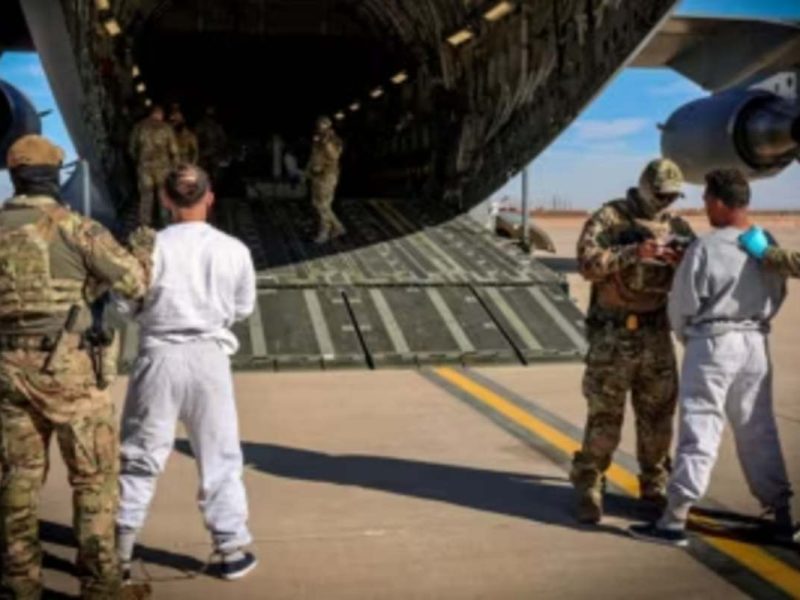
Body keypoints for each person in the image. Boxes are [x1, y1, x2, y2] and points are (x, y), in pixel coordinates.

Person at [0, 135, 151, 598]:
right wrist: (145, 247)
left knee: (19, 477)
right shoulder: (77, 229)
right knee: (93, 478)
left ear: (14, 176)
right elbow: (135, 282)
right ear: (54, 176)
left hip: (7, 368)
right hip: (68, 372)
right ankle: (101, 584)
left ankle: (20, 582)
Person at [629, 169, 796, 546]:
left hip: (713, 342)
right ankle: (782, 513)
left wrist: (692, 337)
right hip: (755, 342)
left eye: (706, 199)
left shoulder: (704, 247)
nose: (704, 207)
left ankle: (674, 518)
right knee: (758, 429)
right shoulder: (764, 244)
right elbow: (779, 292)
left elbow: (683, 304)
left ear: (719, 201)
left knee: (700, 428)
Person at [115, 164, 258, 580]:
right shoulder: (234, 250)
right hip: (209, 358)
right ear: (209, 197)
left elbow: (125, 305)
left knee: (140, 457)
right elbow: (244, 308)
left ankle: (120, 554)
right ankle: (230, 549)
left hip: (158, 356)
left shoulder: (148, 249)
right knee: (220, 457)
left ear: (165, 199)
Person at [570, 158, 694, 524]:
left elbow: (698, 271)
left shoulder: (677, 226)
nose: (665, 202)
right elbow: (588, 264)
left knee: (658, 417)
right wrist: (632, 253)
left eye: (672, 196)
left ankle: (654, 486)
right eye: (660, 194)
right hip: (613, 334)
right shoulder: (609, 218)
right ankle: (590, 483)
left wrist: (678, 260)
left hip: (655, 334)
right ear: (644, 187)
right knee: (605, 414)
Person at [129, 104, 178, 227]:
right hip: (163, 169)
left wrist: (139, 161)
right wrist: (174, 168)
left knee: (146, 197)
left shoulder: (139, 126)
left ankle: (145, 227)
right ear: (160, 115)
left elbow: (131, 149)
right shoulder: (167, 128)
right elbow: (174, 151)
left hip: (144, 168)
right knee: (163, 197)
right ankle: (165, 224)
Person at [306, 116, 345, 243]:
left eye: (323, 125)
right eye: (319, 125)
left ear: (329, 126)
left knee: (323, 205)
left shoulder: (334, 140)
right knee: (317, 203)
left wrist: (326, 142)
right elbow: (313, 156)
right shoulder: (317, 140)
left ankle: (325, 232)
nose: (320, 128)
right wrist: (308, 171)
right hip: (316, 175)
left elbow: (335, 156)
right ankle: (338, 227)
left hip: (328, 176)